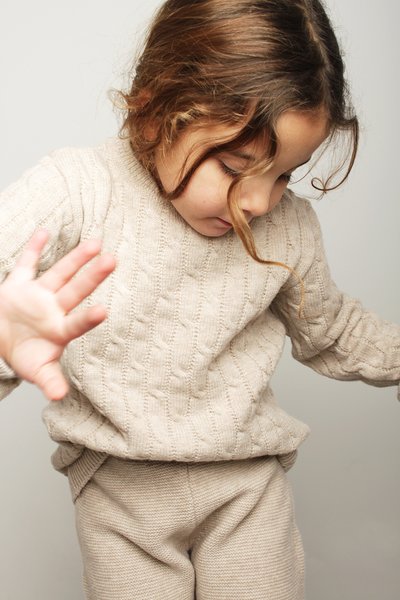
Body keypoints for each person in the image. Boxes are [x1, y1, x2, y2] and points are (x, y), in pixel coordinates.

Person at [0, 0, 399, 598]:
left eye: (286, 174)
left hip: (246, 489)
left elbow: (333, 332)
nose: (261, 201)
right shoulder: (75, 190)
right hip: (119, 489)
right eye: (237, 165)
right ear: (156, 108)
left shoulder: (288, 227)